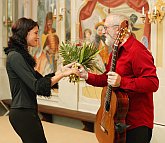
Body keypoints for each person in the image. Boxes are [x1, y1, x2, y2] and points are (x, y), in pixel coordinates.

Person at [79, 14, 159, 143]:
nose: (103, 31)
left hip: (136, 124)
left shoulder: (137, 50)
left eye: (106, 28)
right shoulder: (115, 51)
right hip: (117, 120)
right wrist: (86, 75)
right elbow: (108, 78)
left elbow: (152, 83)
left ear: (118, 29)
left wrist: (122, 81)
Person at [4, 17, 80, 143]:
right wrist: (62, 75)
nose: (38, 36)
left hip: (27, 111)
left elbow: (41, 80)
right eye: (35, 33)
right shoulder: (15, 56)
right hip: (22, 113)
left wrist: (61, 71)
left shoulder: (20, 57)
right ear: (25, 33)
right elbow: (38, 86)